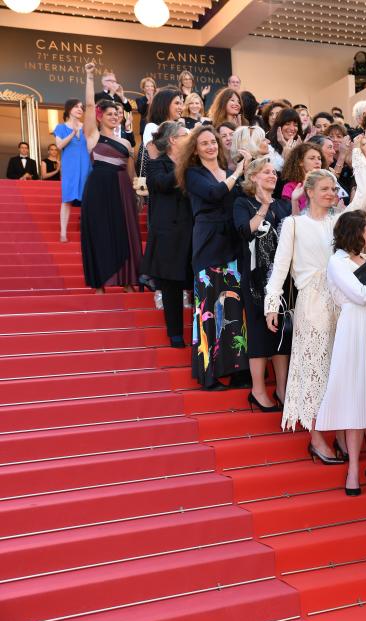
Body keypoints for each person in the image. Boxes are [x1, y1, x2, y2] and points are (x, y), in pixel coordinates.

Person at [265, 166, 366, 460]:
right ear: (309, 192)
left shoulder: (341, 221)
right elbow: (280, 267)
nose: (330, 194)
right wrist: (272, 304)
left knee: (340, 371)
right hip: (311, 303)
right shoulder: (293, 224)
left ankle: (338, 434)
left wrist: (359, 156)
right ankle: (316, 437)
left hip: (343, 300)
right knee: (315, 371)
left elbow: (365, 193)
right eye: (324, 189)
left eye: (334, 189)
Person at [315, 211, 366, 495]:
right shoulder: (337, 261)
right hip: (351, 330)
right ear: (356, 232)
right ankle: (354, 469)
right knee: (355, 400)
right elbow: (359, 294)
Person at [179, 125, 248, 389]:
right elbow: (215, 193)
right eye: (204, 143)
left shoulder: (230, 172)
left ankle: (238, 370)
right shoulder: (193, 173)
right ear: (195, 150)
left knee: (234, 307)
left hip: (231, 242)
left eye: (213, 142)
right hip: (208, 243)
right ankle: (209, 374)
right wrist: (239, 172)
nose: (210, 147)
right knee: (208, 308)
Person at [233, 157, 292, 412]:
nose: (272, 175)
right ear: (254, 177)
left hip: (281, 279)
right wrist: (264, 208)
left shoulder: (283, 205)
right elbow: (245, 231)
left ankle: (282, 388)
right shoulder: (242, 202)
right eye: (266, 172)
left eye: (274, 172)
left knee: (282, 333)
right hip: (256, 278)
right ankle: (258, 390)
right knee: (258, 331)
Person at [79, 63, 142, 293]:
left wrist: (136, 193)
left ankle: (127, 282)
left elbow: (131, 171)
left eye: (117, 113)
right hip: (98, 189)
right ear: (100, 115)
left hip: (122, 189)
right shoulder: (93, 136)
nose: (115, 116)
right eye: (110, 113)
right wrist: (89, 77)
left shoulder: (126, 142)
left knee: (124, 232)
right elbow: (88, 104)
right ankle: (99, 285)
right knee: (99, 232)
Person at [141, 121, 192, 348]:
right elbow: (160, 184)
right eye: (185, 135)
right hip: (168, 234)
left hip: (192, 230)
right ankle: (175, 333)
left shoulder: (194, 164)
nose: (189, 138)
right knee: (171, 286)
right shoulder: (156, 164)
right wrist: (183, 166)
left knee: (195, 283)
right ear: (172, 140)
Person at [54, 100, 90, 242]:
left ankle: (87, 232)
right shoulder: (61, 127)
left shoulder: (87, 127)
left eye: (82, 107)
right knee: (67, 198)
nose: (80, 109)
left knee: (87, 199)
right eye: (76, 106)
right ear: (69, 109)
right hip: (70, 167)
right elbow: (59, 145)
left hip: (87, 166)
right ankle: (63, 232)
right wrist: (73, 133)